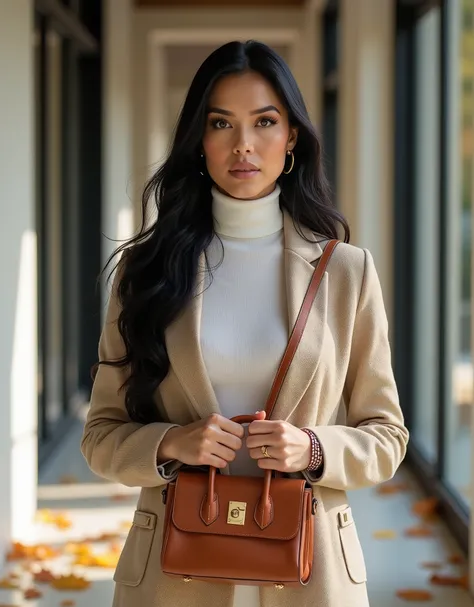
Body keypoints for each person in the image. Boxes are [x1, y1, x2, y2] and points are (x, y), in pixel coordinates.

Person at [81, 40, 409, 607]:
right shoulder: (147, 271)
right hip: (172, 577)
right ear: (198, 142)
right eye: (221, 123)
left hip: (312, 575)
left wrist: (311, 448)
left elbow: (387, 436)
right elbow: (101, 436)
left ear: (291, 141)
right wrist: (172, 443)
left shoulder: (346, 272)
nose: (244, 145)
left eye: (264, 121)